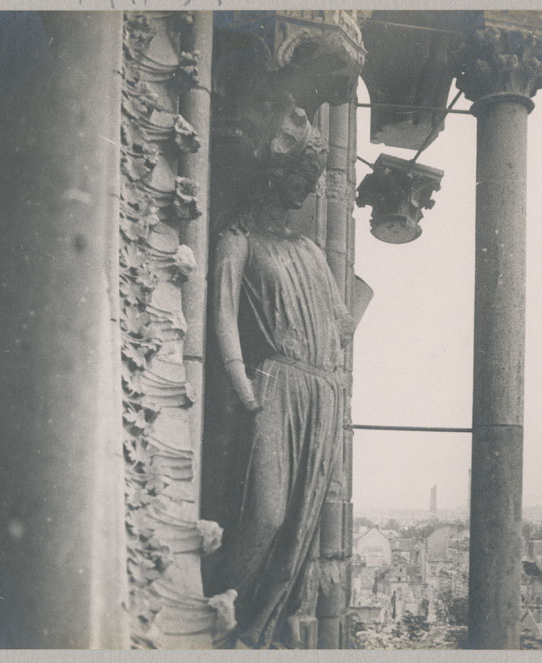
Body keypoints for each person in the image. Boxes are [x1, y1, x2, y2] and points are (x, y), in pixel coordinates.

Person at [210, 106, 355, 648]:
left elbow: (342, 323)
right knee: (267, 515)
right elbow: (222, 313)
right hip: (275, 384)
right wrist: (241, 385)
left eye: (308, 182)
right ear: (269, 178)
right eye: (294, 179)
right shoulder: (237, 238)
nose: (300, 193)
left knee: (301, 528)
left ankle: (255, 634)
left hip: (321, 390)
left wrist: (338, 363)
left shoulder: (313, 251)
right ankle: (216, 612)